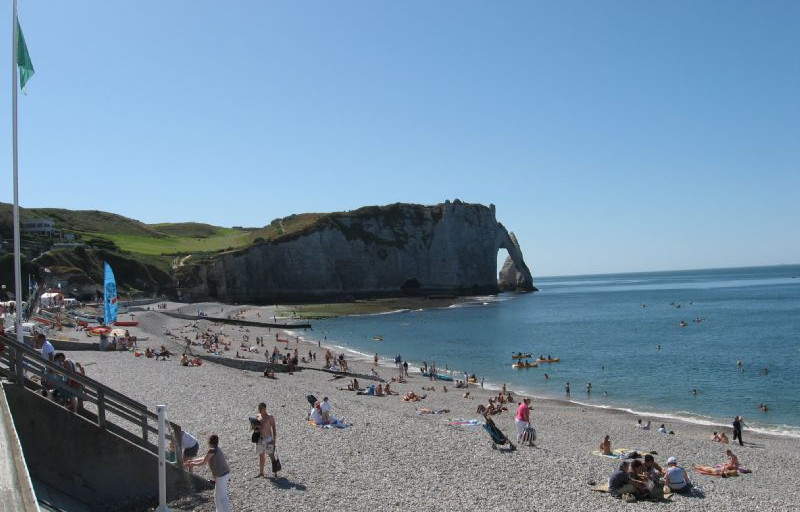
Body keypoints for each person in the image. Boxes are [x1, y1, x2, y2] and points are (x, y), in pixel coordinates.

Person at [185, 435, 231, 512]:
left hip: (221, 476)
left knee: (223, 497)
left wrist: (192, 464)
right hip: (224, 475)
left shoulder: (212, 450)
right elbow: (204, 458)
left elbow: (204, 462)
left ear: (209, 442)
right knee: (217, 496)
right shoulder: (216, 449)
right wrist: (192, 461)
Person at [255, 402, 278, 477]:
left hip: (268, 438)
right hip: (260, 438)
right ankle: (261, 472)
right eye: (259, 408)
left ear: (265, 408)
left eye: (261, 408)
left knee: (271, 455)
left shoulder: (270, 417)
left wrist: (274, 439)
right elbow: (255, 428)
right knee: (261, 456)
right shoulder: (258, 416)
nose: (260, 410)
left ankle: (275, 472)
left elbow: (274, 428)